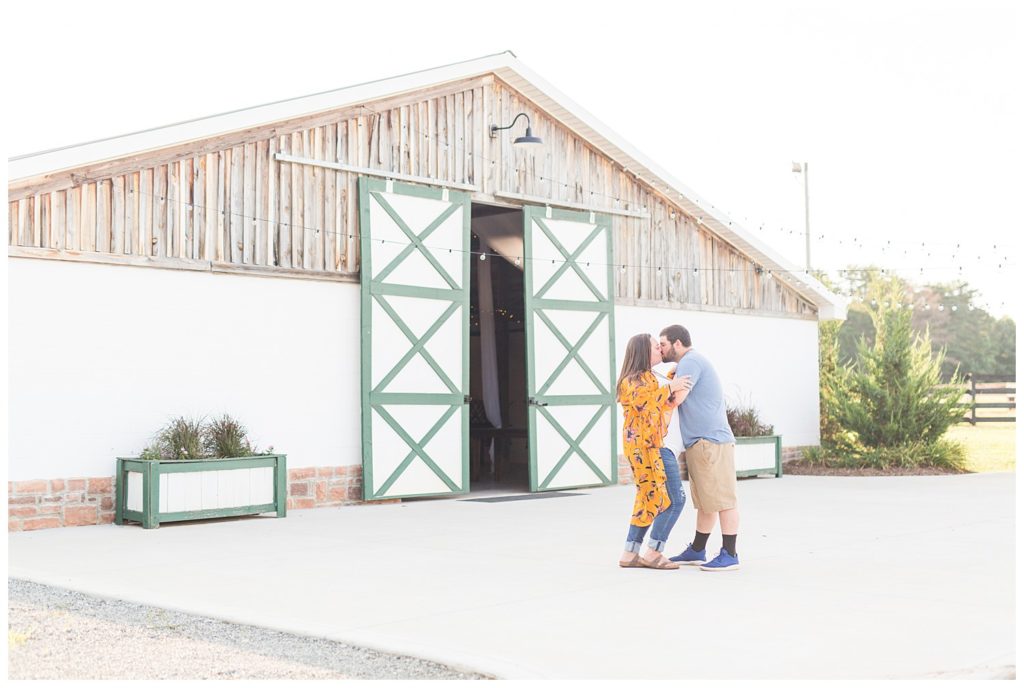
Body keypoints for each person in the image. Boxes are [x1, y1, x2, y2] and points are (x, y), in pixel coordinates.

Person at [659, 324, 741, 572]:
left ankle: (730, 554)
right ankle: (697, 549)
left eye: (663, 344)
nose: (660, 349)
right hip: (701, 442)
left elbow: (675, 400)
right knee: (706, 500)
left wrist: (655, 391)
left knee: (723, 498)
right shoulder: (689, 363)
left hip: (710, 441)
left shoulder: (690, 361)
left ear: (677, 343)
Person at [617, 333, 693, 570]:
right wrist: (671, 385)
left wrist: (672, 380)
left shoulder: (649, 377)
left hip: (650, 445)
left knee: (648, 498)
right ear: (642, 351)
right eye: (654, 346)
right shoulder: (632, 380)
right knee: (668, 499)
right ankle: (653, 552)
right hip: (644, 448)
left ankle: (630, 553)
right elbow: (644, 402)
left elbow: (659, 404)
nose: (660, 349)